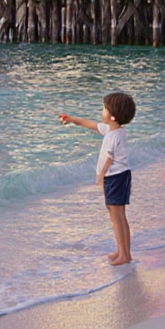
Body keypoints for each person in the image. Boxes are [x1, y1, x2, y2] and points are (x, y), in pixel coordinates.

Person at [60, 91, 136, 266]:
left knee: (116, 217)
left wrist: (100, 177)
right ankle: (123, 251)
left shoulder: (112, 135)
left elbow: (109, 159)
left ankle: (124, 254)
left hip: (114, 177)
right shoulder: (116, 131)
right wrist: (72, 119)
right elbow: (92, 125)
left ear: (112, 115)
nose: (102, 111)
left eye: (104, 108)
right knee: (119, 215)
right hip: (121, 176)